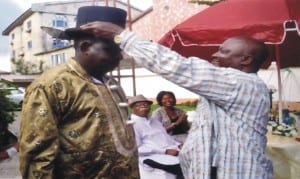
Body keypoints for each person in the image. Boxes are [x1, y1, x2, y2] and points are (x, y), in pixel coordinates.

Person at [80, 21, 274, 178]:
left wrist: (122, 36)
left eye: (224, 51)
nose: (215, 54)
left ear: (246, 60)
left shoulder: (240, 83)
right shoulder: (232, 86)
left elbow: (178, 67)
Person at [19, 6, 139, 179]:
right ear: (85, 47)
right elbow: (37, 156)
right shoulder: (51, 85)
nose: (121, 56)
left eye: (122, 50)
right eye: (113, 49)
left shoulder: (112, 83)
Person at [128, 94, 183, 177]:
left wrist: (178, 144)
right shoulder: (132, 124)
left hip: (171, 151)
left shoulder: (154, 121)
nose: (143, 106)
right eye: (138, 105)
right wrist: (165, 151)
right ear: (132, 108)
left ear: (150, 107)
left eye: (146, 104)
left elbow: (166, 137)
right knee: (182, 166)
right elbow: (136, 149)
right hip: (153, 155)